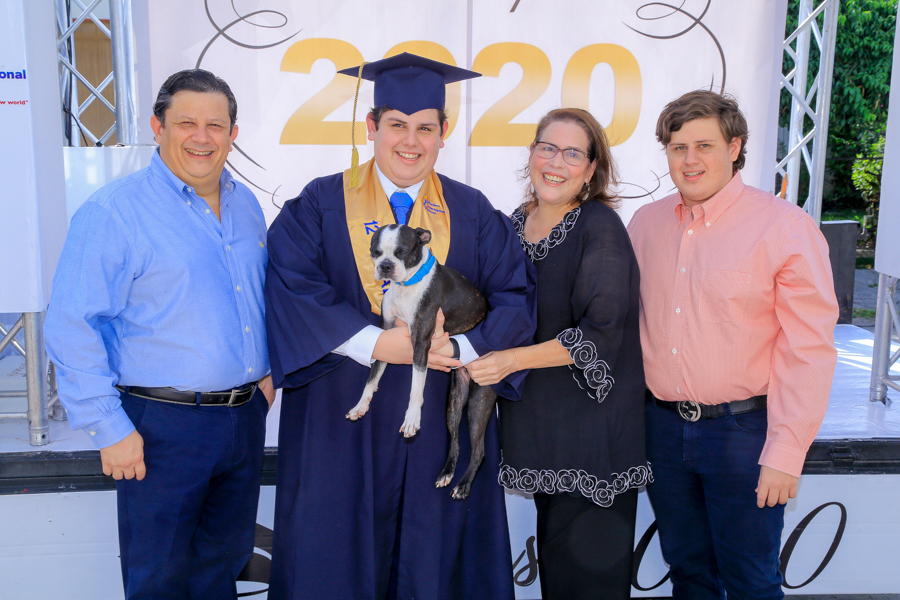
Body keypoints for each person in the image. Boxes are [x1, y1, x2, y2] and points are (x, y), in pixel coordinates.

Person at [263, 53, 536, 600]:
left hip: (438, 411)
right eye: (396, 125)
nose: (411, 141)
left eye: (426, 128)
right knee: (337, 556)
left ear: (444, 133)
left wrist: (460, 347)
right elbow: (292, 282)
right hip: (342, 416)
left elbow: (515, 295)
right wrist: (377, 342)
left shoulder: (472, 210)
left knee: (434, 561)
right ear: (371, 126)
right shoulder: (320, 202)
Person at [44, 69, 274, 600]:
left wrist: (265, 374)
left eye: (216, 125)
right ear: (157, 127)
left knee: (222, 571)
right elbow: (72, 324)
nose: (202, 137)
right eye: (186, 123)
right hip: (161, 427)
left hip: (243, 421)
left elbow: (255, 300)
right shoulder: (113, 212)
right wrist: (109, 427)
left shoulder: (246, 205)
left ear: (233, 134)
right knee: (159, 581)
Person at [626, 90, 839, 599]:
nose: (690, 160)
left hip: (743, 435)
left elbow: (808, 350)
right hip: (661, 430)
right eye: (678, 147)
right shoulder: (645, 224)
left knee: (751, 581)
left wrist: (786, 451)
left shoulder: (784, 227)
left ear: (735, 147)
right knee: (689, 574)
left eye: (704, 145)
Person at [467, 108, 650, 599]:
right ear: (531, 153)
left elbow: (600, 332)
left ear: (591, 169)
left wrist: (511, 360)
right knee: (559, 578)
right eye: (547, 148)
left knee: (588, 585)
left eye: (572, 153)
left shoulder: (599, 226)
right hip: (537, 431)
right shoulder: (511, 225)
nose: (555, 162)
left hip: (591, 440)